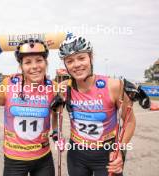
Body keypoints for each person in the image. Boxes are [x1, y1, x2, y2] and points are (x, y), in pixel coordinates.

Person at [58, 33, 136, 176]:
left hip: (107, 154)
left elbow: (129, 121)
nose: (76, 65)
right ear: (65, 65)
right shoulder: (64, 88)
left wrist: (121, 151)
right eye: (69, 61)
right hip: (76, 155)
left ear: (91, 58)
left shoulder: (113, 85)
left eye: (81, 58)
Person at [0, 38, 58, 176]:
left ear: (46, 62)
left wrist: (55, 131)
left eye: (39, 60)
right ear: (21, 66)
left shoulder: (54, 87)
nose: (34, 66)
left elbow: (56, 113)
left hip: (43, 158)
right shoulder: (9, 84)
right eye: (27, 62)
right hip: (15, 160)